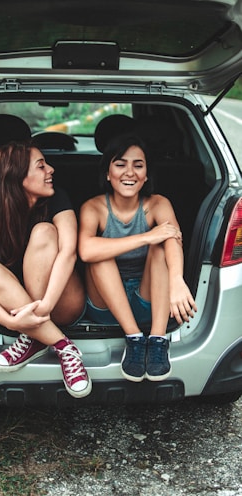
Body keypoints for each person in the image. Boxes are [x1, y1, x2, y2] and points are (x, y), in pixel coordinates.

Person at [0, 141, 92, 399]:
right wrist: (13, 322)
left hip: (63, 302)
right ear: (17, 176)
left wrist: (43, 308)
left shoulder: (58, 200)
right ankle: (62, 346)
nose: (51, 170)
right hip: (23, 315)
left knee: (44, 231)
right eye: (41, 165)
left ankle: (34, 336)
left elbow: (69, 252)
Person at [78, 134, 197, 382]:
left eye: (138, 165)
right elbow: (86, 251)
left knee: (162, 247)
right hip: (106, 306)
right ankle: (134, 339)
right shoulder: (93, 207)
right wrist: (146, 236)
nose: (129, 172)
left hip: (150, 303)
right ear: (108, 173)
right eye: (120, 164)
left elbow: (174, 239)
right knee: (100, 253)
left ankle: (156, 339)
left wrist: (176, 281)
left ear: (146, 176)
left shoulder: (158, 203)